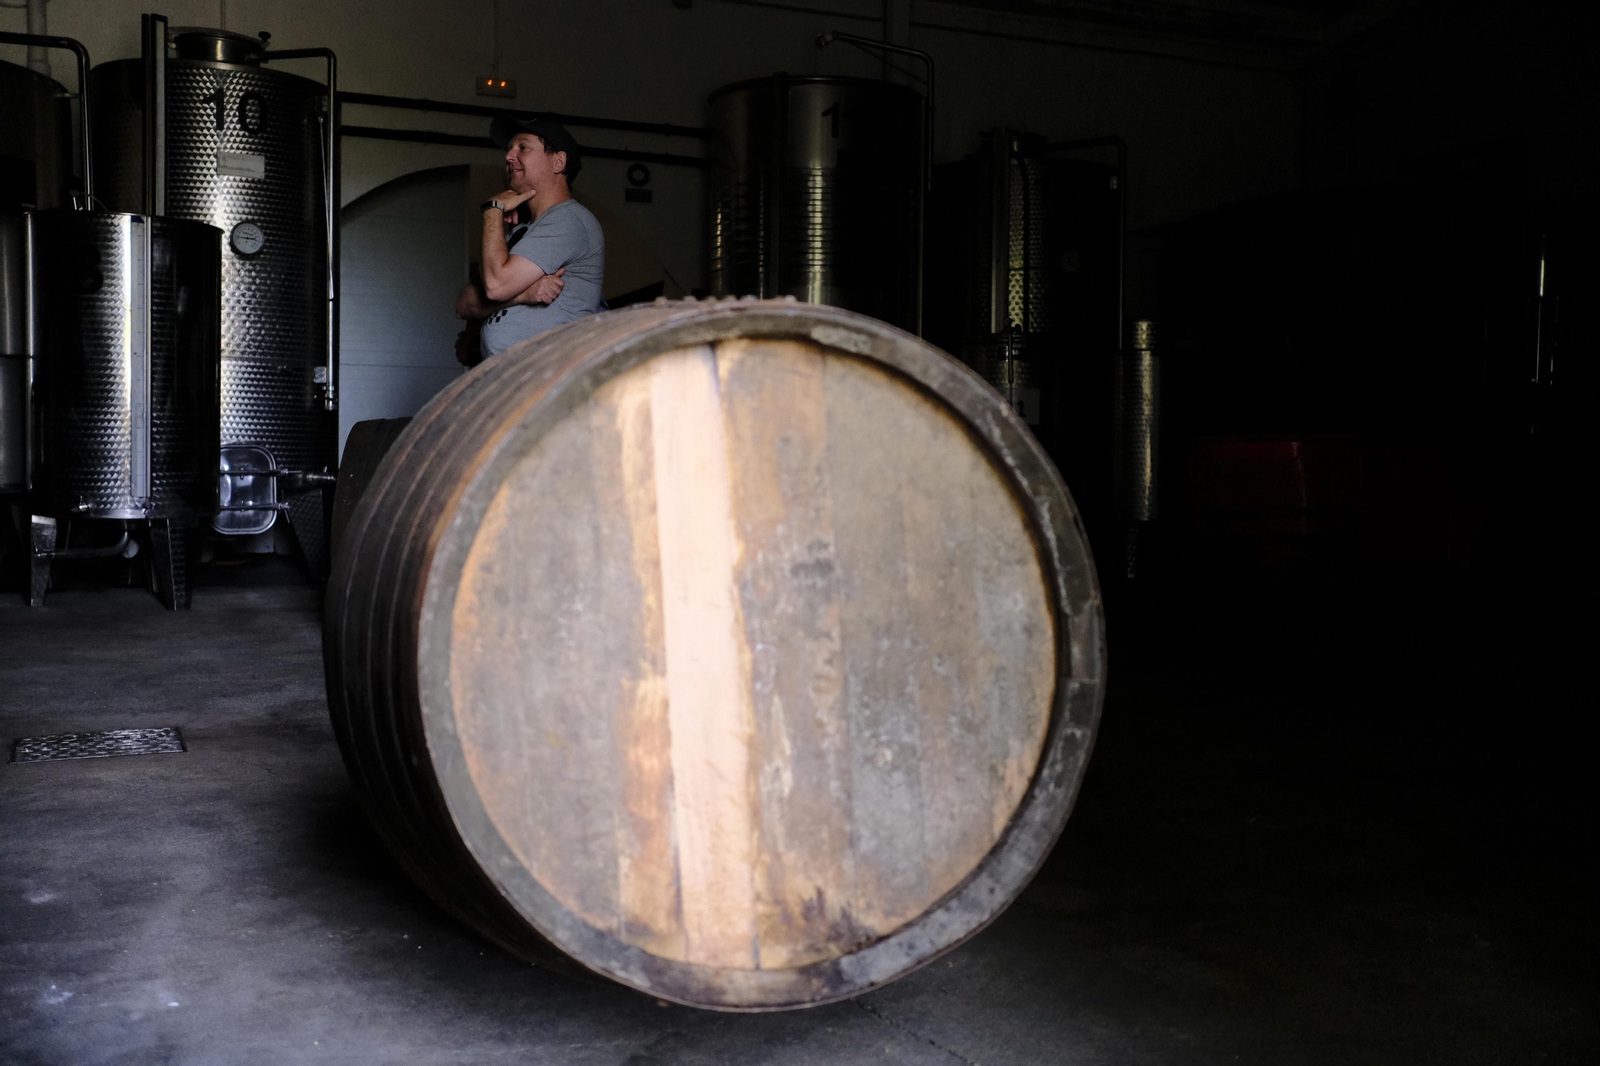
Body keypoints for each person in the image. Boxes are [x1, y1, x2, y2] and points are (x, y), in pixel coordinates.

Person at [454, 116, 605, 363]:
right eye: (509, 149)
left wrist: (493, 211)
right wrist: (523, 296)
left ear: (558, 162)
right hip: (511, 383)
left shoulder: (568, 220)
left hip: (548, 384)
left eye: (522, 147)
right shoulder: (522, 231)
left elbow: (495, 285)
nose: (509, 156)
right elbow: (465, 304)